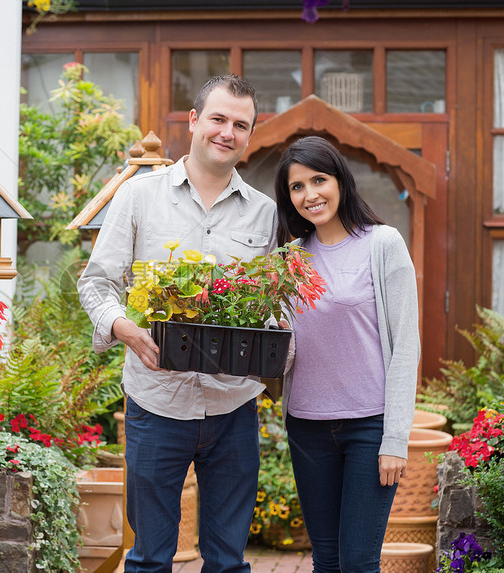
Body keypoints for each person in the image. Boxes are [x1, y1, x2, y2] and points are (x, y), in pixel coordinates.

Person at [77, 75, 278, 573]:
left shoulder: (265, 214)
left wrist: (272, 346)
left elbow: (275, 309)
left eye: (240, 124)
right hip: (155, 403)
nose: (227, 132)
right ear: (193, 121)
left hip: (234, 406)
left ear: (249, 137)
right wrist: (123, 327)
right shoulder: (139, 196)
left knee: (228, 561)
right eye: (218, 118)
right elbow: (96, 283)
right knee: (148, 559)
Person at [274, 136, 420, 573]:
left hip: (368, 428)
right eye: (297, 187)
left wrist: (395, 439)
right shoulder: (292, 260)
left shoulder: (383, 244)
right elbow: (286, 356)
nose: (310, 195)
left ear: (340, 180)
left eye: (318, 180)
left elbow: (406, 345)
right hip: (306, 426)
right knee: (326, 561)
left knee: (358, 562)